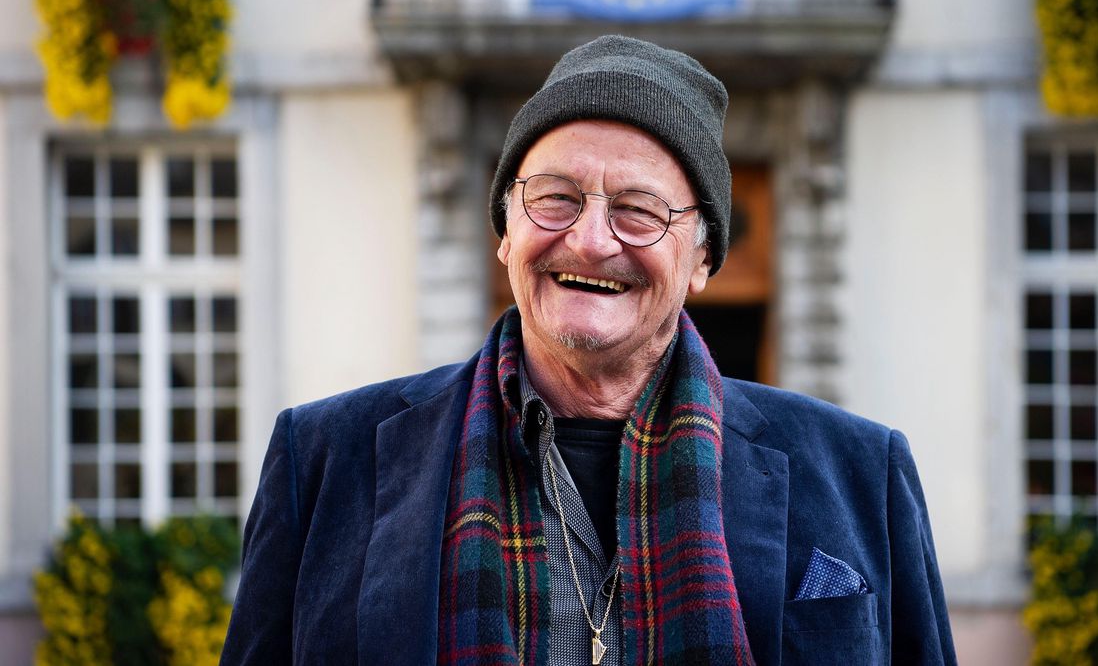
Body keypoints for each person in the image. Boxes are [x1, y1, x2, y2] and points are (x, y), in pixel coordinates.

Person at [220, 35, 957, 665]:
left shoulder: (862, 473)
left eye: (639, 210)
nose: (590, 239)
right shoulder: (323, 461)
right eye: (555, 197)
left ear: (701, 260)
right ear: (506, 230)